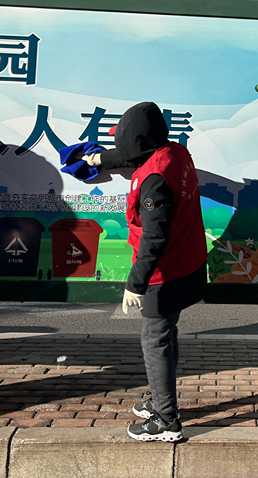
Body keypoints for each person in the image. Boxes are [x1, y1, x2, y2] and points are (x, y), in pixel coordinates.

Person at [83, 101, 207, 442]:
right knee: (163, 335)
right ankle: (160, 398)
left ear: (138, 143)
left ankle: (166, 421)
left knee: (155, 340)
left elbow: (155, 237)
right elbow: (132, 154)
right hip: (188, 261)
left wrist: (135, 284)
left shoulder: (153, 182)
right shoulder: (174, 152)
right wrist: (99, 159)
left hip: (165, 273)